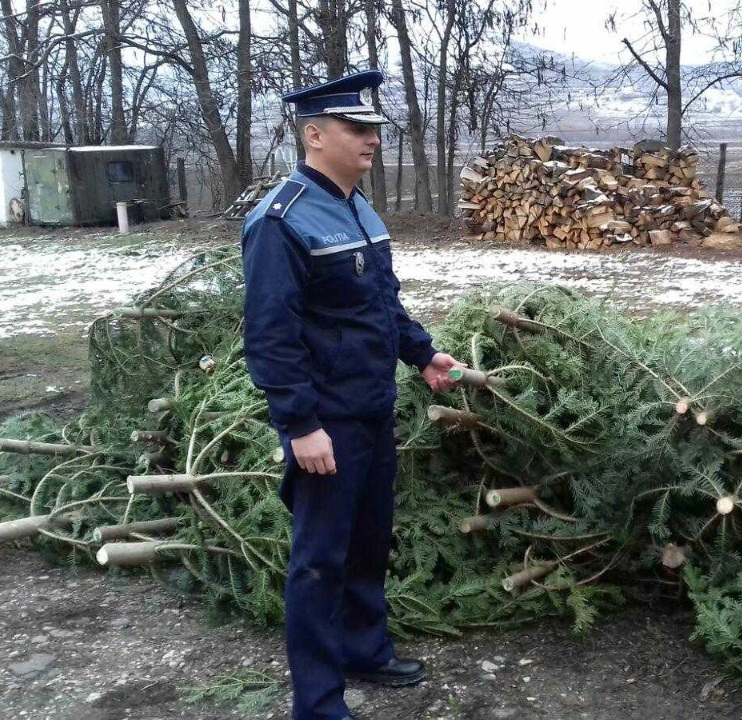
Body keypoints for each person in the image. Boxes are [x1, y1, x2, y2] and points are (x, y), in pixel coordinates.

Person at [240, 69, 463, 720]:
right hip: (325, 424)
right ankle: (316, 700)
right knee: (318, 561)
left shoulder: (357, 207)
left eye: (373, 130)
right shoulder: (279, 221)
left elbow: (380, 302)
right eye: (356, 128)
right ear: (314, 134)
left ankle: (364, 649)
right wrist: (300, 424)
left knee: (370, 542)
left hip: (372, 409)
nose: (371, 140)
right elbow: (270, 337)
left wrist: (421, 354)